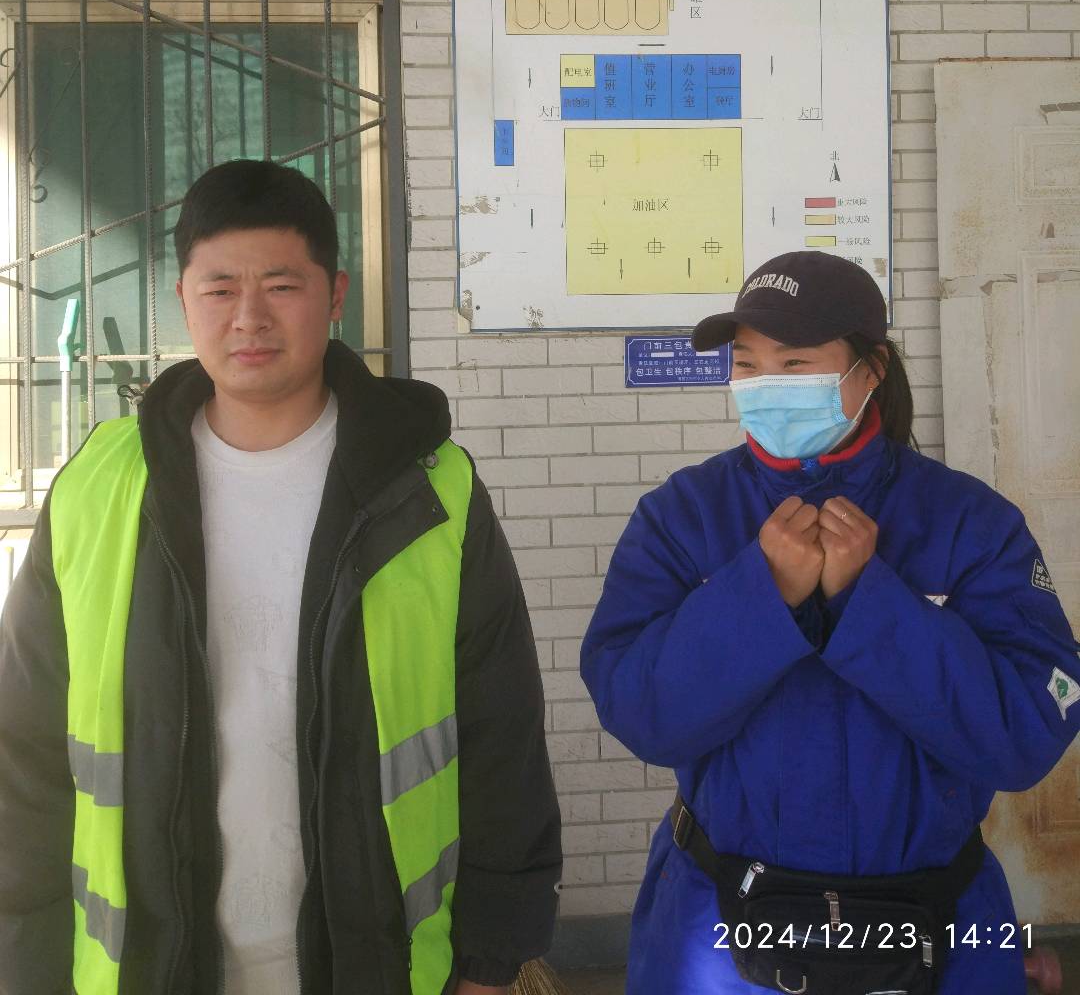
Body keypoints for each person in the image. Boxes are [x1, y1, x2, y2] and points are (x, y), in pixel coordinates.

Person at [0, 159, 561, 995]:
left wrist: (489, 959)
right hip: (148, 968)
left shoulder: (428, 489)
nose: (249, 317)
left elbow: (502, 731)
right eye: (220, 288)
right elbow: (25, 746)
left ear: (336, 296)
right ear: (183, 298)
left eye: (282, 286)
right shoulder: (98, 488)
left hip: (379, 963)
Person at [580, 249, 1079, 995]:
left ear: (870, 371)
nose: (764, 385)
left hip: (940, 924)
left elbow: (1026, 734)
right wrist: (762, 594)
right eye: (747, 365)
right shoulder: (682, 516)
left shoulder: (968, 522)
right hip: (719, 926)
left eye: (794, 364)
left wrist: (868, 602)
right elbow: (639, 712)